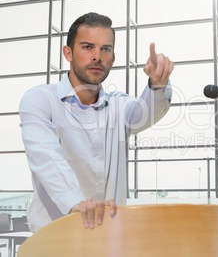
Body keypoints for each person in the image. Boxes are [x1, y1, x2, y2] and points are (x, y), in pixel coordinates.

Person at [19, 12, 174, 232]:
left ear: (112, 58)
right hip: (53, 242)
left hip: (108, 242)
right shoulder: (40, 100)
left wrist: (158, 84)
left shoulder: (119, 106)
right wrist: (76, 203)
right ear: (68, 53)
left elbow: (147, 112)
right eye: (87, 47)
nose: (97, 56)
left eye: (105, 49)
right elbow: (47, 157)